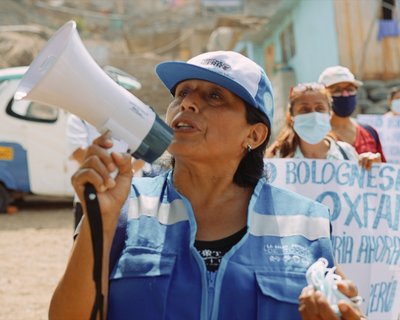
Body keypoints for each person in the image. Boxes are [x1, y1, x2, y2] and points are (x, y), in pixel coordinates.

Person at [49, 51, 364, 319]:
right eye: (182, 93)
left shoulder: (306, 220)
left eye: (214, 96)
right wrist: (99, 223)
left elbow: (339, 303)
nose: (187, 104)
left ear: (253, 135)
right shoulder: (124, 207)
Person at [66, 114, 145, 228]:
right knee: (89, 243)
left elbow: (142, 158)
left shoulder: (133, 115)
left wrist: (120, 179)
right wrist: (119, 174)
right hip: (90, 197)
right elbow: (78, 153)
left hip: (128, 200)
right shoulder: (78, 117)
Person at [265, 82, 359, 161]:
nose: (314, 115)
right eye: (304, 110)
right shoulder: (276, 157)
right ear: (292, 115)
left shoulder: (347, 154)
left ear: (330, 113)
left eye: (320, 108)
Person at [318, 65, 386, 167]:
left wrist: (376, 163)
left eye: (350, 89)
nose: (345, 94)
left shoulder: (369, 132)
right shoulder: (317, 136)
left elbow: (384, 173)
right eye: (337, 90)